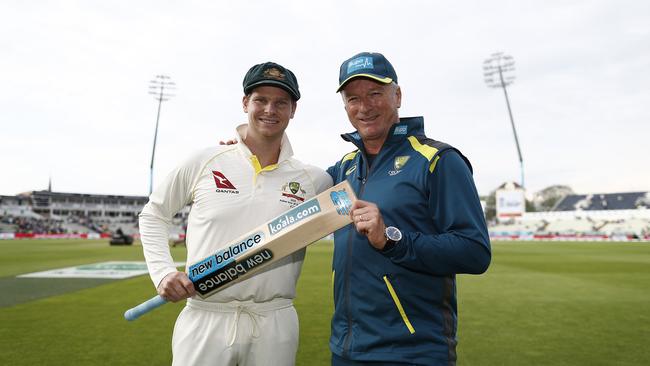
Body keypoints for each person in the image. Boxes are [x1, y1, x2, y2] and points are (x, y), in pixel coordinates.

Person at [139, 61, 332, 366]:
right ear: (245, 103)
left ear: (293, 110)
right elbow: (154, 214)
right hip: (206, 316)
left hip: (275, 319)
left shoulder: (315, 179)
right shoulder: (206, 160)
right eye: (260, 100)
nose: (270, 109)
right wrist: (163, 272)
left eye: (281, 102)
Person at [327, 52, 491, 366]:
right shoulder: (344, 167)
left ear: (398, 95)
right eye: (353, 98)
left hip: (411, 352)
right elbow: (289, 188)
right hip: (346, 350)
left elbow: (475, 251)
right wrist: (243, 151)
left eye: (375, 93)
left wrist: (391, 239)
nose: (364, 107)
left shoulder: (438, 159)